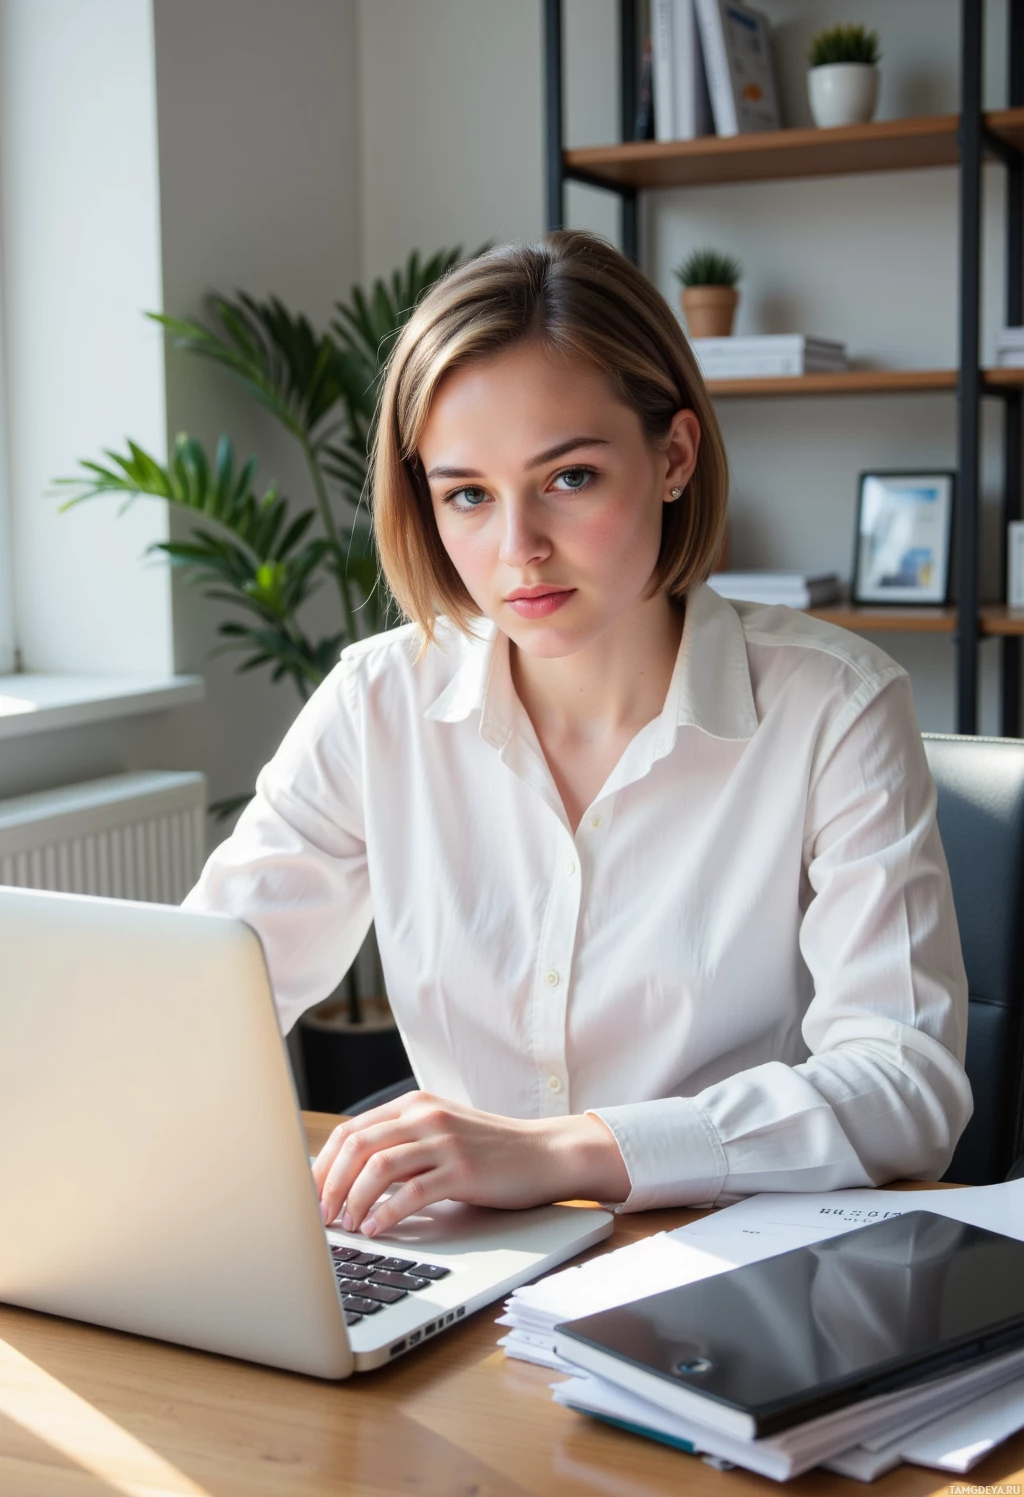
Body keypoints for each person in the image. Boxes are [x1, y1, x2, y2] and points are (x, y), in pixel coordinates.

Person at [183, 230, 971, 1240]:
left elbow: (906, 1088)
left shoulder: (837, 707)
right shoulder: (377, 702)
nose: (518, 551)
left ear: (673, 456)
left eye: (569, 478)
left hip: (726, 1266)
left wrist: (560, 1153)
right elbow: (204, 992)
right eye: (467, 494)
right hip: (460, 1257)